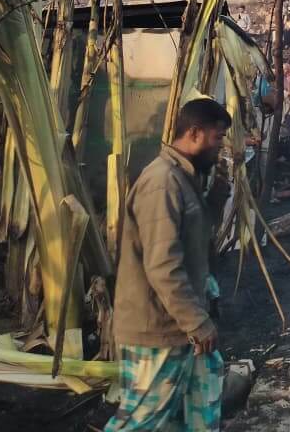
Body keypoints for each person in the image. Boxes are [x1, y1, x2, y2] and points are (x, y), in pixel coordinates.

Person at [109, 98, 230, 432]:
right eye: (217, 138)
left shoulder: (184, 178)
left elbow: (195, 239)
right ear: (194, 133)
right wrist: (197, 322)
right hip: (157, 331)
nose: (219, 148)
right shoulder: (162, 182)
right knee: (141, 423)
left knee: (196, 417)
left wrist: (218, 194)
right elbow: (163, 265)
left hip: (184, 329)